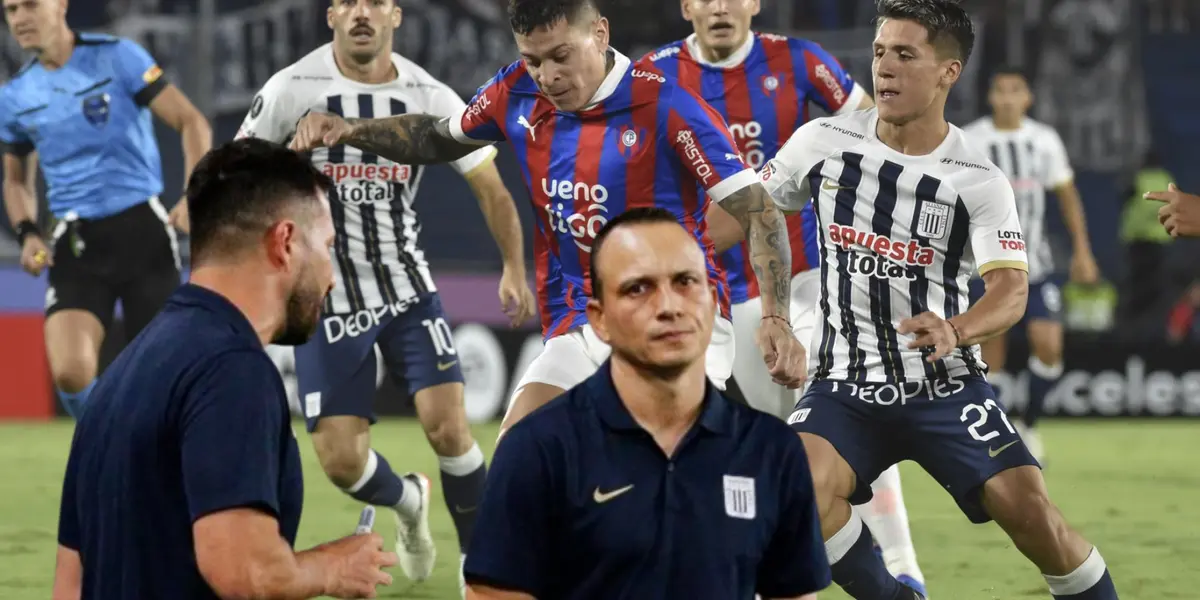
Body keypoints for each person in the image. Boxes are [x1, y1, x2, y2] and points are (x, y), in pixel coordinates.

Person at [289, 0, 806, 442]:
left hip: (674, 317)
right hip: (581, 318)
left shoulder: (666, 104)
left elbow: (757, 209)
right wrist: (350, 129)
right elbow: (436, 137)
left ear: (599, 34)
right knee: (518, 455)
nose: (547, 76)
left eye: (561, 56)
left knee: (643, 466)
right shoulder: (516, 91)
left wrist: (776, 318)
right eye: (532, 60)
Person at [761, 1, 1119, 599]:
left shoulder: (977, 177)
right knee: (796, 489)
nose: (885, 68)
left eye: (906, 55)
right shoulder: (822, 141)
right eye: (880, 52)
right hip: (845, 384)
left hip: (943, 385)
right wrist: (773, 311)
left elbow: (1011, 289)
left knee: (1034, 518)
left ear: (949, 71)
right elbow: (758, 213)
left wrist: (957, 329)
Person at [236, 0, 534, 584]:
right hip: (325, 299)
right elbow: (236, 175)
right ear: (331, 15)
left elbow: (492, 188)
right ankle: (407, 500)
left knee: (450, 428)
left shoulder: (429, 95)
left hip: (406, 288)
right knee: (342, 462)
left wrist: (513, 267)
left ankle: (479, 568)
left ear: (396, 15)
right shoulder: (291, 88)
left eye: (375, 2)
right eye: (349, 2)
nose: (362, 13)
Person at [644, 1, 925, 593]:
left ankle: (903, 565)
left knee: (846, 403)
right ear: (687, 6)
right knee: (775, 440)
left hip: (809, 272)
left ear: (755, 3)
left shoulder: (799, 62)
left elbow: (878, 129)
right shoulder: (654, 76)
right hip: (720, 286)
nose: (721, 6)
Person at [53, 138, 398, 600]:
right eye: (328, 246)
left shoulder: (118, 378)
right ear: (285, 242)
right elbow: (243, 570)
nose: (332, 277)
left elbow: (69, 585)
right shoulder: (233, 371)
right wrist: (334, 567)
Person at [463, 207, 830, 600]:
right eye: (638, 288)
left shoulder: (773, 452)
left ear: (712, 301)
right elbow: (492, 593)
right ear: (599, 319)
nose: (668, 306)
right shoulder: (535, 447)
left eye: (685, 282)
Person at [1, 0, 211, 418]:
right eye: (10, 10)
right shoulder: (15, 96)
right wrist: (28, 233)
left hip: (143, 233)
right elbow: (16, 181)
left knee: (161, 375)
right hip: (76, 243)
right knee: (70, 373)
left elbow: (192, 122)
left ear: (61, 5)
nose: (20, 18)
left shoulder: (119, 56)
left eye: (30, 5)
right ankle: (109, 442)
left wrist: (194, 194)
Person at [962, 67, 1100, 462]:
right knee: (992, 355)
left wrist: (1082, 251)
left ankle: (1030, 425)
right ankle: (1001, 437)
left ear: (1028, 98)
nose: (1007, 98)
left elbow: (1067, 196)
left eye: (1015, 90)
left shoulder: (1044, 140)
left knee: (1049, 346)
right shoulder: (971, 140)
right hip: (985, 266)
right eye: (1000, 90)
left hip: (1034, 265)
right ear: (990, 97)